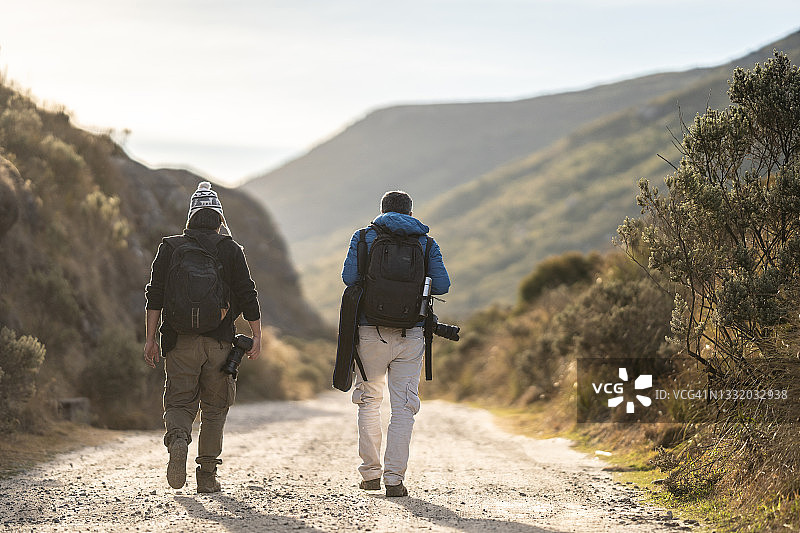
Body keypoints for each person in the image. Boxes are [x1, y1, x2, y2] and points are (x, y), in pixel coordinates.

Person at [143, 181, 262, 493]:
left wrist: (150, 339)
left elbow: (154, 297)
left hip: (179, 341)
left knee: (180, 403)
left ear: (191, 216)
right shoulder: (231, 249)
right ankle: (207, 475)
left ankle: (179, 438)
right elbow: (248, 294)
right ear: (219, 218)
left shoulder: (170, 248)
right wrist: (257, 336)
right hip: (220, 343)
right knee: (214, 409)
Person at [341, 190, 450, 497]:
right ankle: (394, 480)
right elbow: (442, 285)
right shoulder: (426, 243)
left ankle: (371, 474)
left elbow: (349, 278)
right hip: (411, 333)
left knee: (369, 401)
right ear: (411, 213)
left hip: (368, 330)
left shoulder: (364, 238)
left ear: (382, 210)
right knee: (403, 407)